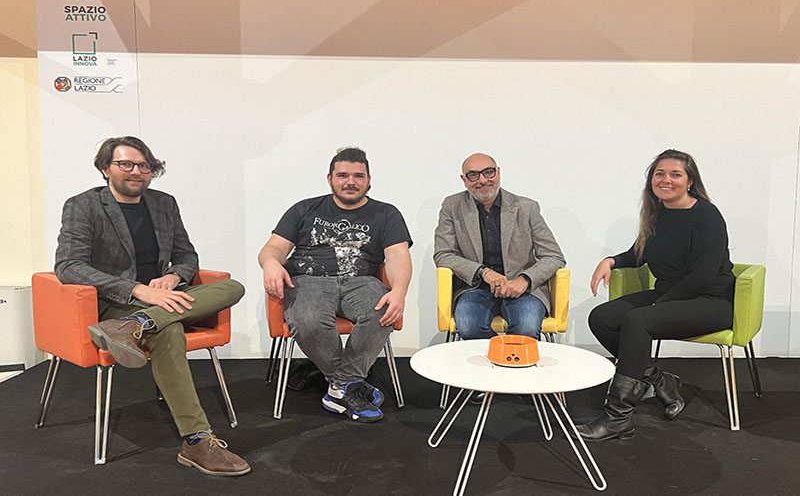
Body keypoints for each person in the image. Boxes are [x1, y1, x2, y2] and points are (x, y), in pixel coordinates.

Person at [55, 136, 250, 476]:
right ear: (106, 169)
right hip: (117, 304)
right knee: (168, 329)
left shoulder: (164, 203)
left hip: (166, 297)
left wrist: (173, 277)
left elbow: (186, 255)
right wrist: (137, 289)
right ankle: (196, 440)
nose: (136, 171)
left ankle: (138, 325)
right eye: (126, 164)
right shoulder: (83, 205)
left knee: (233, 286)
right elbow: (68, 266)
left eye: (143, 165)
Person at [577, 149, 736, 442]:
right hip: (671, 294)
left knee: (638, 320)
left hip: (711, 300)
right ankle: (659, 380)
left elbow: (701, 277)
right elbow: (640, 254)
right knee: (601, 317)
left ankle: (617, 418)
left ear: (690, 181)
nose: (666, 180)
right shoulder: (658, 213)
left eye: (676, 174)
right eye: (659, 174)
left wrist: (657, 304)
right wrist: (610, 260)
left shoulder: (706, 216)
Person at [258, 147, 412, 423]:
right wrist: (270, 263)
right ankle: (349, 385)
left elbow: (397, 255)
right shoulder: (305, 209)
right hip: (308, 280)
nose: (350, 181)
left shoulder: (386, 213)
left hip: (362, 281)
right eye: (343, 175)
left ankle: (340, 387)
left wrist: (399, 291)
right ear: (330, 179)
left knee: (382, 311)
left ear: (368, 180)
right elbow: (273, 248)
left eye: (358, 176)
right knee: (308, 320)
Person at [433, 152, 565, 342]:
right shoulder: (452, 206)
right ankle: (495, 358)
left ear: (498, 172)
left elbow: (554, 256)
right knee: (469, 326)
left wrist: (525, 279)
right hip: (475, 287)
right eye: (473, 175)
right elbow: (443, 254)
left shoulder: (526, 207)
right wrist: (483, 272)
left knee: (526, 327)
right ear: (464, 180)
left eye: (488, 172)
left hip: (522, 289)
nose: (482, 180)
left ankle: (509, 359)